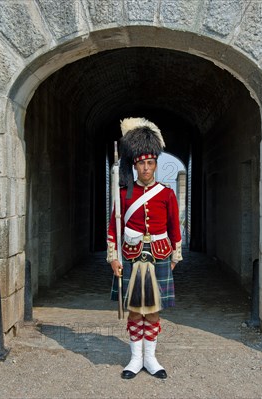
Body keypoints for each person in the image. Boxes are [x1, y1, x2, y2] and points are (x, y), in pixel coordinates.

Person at [106, 117, 183, 379]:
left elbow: (175, 226)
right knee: (135, 309)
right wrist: (113, 258)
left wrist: (176, 254)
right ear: (135, 165)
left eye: (150, 163)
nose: (146, 168)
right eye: (142, 163)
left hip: (159, 255)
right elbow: (113, 227)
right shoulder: (125, 193)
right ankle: (135, 359)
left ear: (155, 165)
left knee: (153, 310)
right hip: (130, 255)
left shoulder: (166, 194)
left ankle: (150, 358)